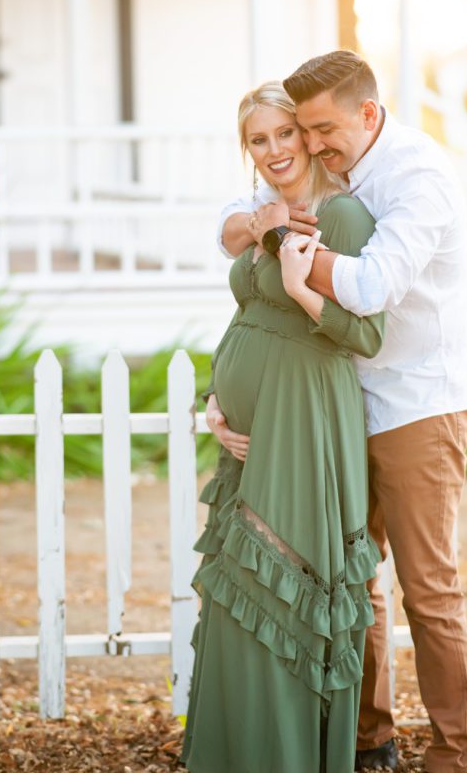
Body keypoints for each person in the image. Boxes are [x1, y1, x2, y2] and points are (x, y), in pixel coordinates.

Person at [213, 51, 467, 773]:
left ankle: (452, 752)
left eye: (322, 129)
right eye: (304, 131)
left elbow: (368, 288)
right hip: (335, 410)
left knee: (427, 590)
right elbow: (239, 214)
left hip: (417, 404)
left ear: (367, 113)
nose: (310, 143)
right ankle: (369, 739)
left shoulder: (414, 177)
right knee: (347, 583)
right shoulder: (334, 167)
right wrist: (250, 223)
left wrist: (275, 238)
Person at [181, 81, 385, 773]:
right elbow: (246, 315)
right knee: (242, 583)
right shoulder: (263, 216)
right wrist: (217, 399)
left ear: (307, 135)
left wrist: (302, 289)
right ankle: (239, 750)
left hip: (304, 414)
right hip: (251, 421)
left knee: (284, 579)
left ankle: (290, 752)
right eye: (256, 140)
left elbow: (366, 333)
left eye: (283, 134)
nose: (272, 150)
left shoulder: (344, 217)